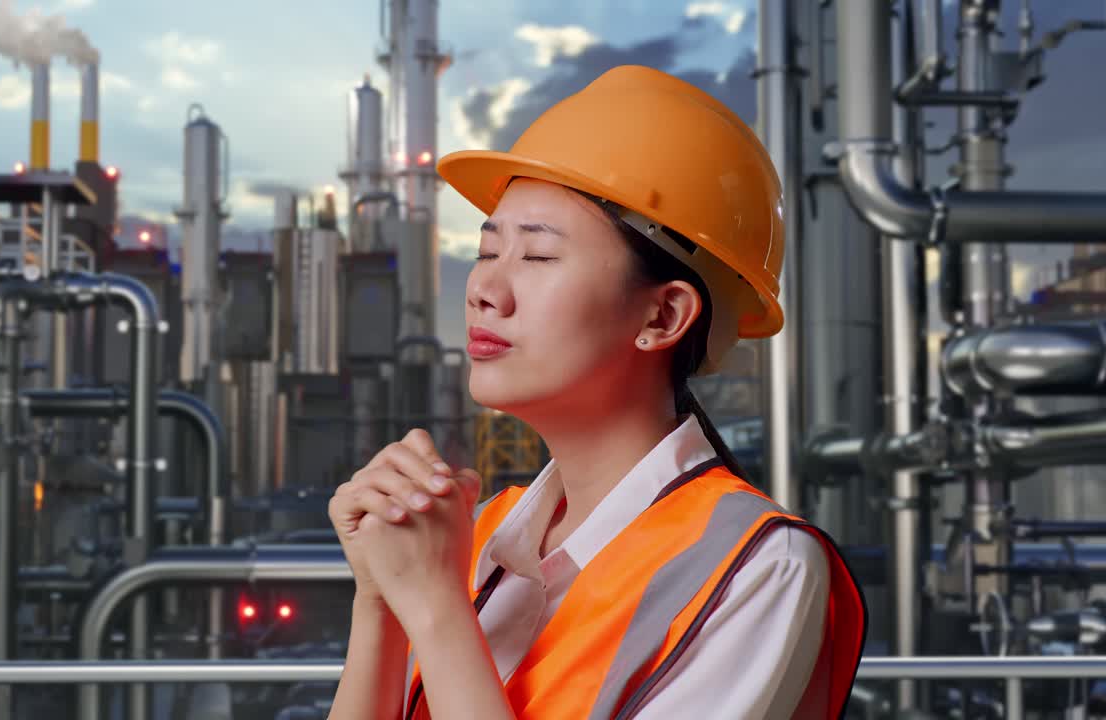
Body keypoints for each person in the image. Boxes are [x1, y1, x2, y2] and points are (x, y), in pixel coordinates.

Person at [327, 65, 866, 720]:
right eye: (487, 251)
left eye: (537, 257)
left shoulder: (758, 567)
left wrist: (439, 609)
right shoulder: (483, 534)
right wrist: (381, 599)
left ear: (662, 318)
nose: (483, 291)